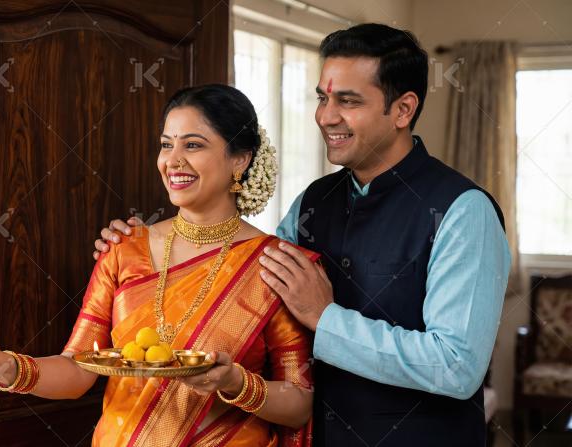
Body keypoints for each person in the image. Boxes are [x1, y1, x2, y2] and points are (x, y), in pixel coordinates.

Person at [94, 24, 511, 446]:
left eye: (348, 101)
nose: (327, 116)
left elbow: (456, 367)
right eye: (322, 98)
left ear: (403, 109)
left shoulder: (462, 210)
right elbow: (245, 284)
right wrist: (143, 248)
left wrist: (326, 318)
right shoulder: (314, 201)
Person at [0, 84, 318, 446]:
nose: (173, 160)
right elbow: (78, 368)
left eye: (193, 145)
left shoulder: (274, 266)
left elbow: (300, 402)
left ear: (239, 158)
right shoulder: (124, 249)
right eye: (166, 144)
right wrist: (4, 365)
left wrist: (236, 383)